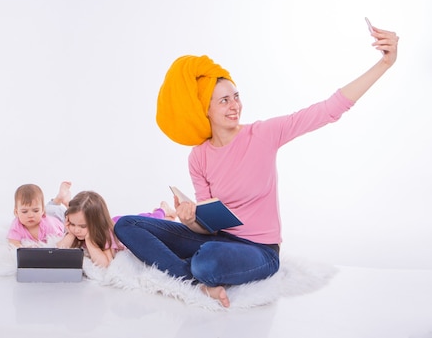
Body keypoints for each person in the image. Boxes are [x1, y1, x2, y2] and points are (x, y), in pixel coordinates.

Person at [114, 21, 399, 308]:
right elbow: (208, 227)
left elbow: (327, 110)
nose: (234, 105)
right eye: (224, 101)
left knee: (207, 262)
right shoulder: (198, 156)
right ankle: (196, 283)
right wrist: (190, 219)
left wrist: (384, 64)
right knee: (127, 225)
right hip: (217, 240)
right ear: (206, 110)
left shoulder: (263, 134)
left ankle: (193, 274)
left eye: (236, 97)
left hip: (259, 251)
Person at [7, 183, 66, 248]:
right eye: (24, 211)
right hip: (44, 211)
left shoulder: (49, 225)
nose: (30, 215)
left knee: (71, 215)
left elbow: (61, 242)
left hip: (58, 215)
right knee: (45, 208)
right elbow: (13, 243)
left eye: (35, 211)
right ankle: (56, 201)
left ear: (43, 211)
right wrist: (24, 248)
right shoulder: (16, 225)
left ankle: (59, 199)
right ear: (16, 212)